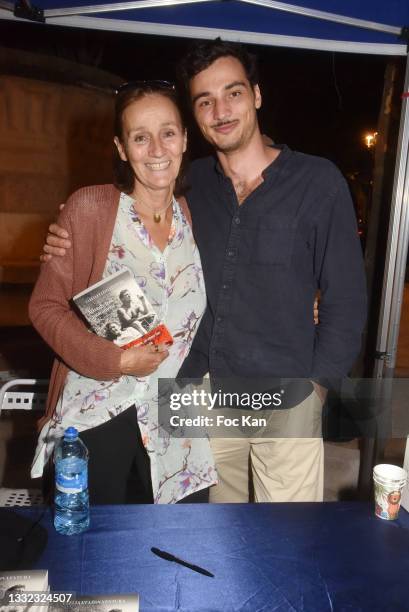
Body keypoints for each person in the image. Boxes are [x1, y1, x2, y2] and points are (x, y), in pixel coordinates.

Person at [42, 39, 367, 504]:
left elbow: (346, 299)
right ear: (194, 117)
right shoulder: (188, 188)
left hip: (286, 392)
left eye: (233, 93)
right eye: (205, 101)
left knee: (288, 540)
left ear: (256, 95)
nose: (221, 110)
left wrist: (316, 388)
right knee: (216, 537)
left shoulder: (318, 182)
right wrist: (64, 240)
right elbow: (126, 225)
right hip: (204, 393)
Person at [30, 80, 217, 505]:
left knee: (179, 554)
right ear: (121, 147)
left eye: (168, 133)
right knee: (91, 558)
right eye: (140, 137)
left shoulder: (195, 214)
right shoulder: (91, 209)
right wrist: (116, 360)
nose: (156, 149)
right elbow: (44, 306)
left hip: (175, 425)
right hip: (99, 414)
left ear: (185, 139)